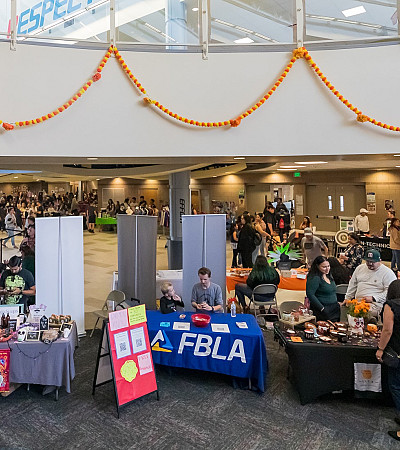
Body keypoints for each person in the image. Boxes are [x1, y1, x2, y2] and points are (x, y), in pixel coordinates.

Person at [376, 280, 400, 442]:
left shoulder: (391, 305)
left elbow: (387, 330)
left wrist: (380, 349)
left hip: (397, 352)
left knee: (396, 387)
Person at [344, 249, 397, 316]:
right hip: (358, 303)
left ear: (380, 261)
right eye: (368, 261)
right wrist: (347, 298)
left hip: (376, 305)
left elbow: (390, 292)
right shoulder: (359, 268)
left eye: (373, 262)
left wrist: (374, 298)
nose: (370, 264)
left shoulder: (387, 273)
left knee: (364, 312)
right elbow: (352, 285)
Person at [306, 256, 340, 321]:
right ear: (317, 266)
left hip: (334, 308)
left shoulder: (328, 275)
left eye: (328, 266)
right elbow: (310, 294)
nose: (327, 269)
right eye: (324, 267)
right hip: (323, 310)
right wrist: (322, 308)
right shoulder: (315, 278)